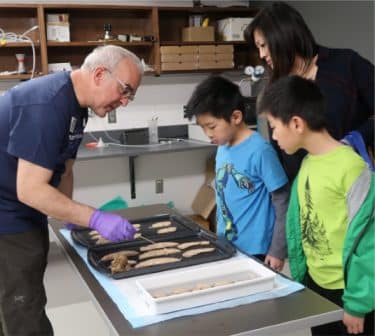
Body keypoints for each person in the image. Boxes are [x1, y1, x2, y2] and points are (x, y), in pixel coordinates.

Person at [0, 45, 143, 335]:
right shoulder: (47, 105)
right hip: (8, 215)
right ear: (100, 74)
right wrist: (95, 218)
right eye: (125, 90)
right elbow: (30, 190)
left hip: (22, 209)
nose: (125, 102)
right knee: (22, 312)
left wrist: (69, 216)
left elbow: (65, 167)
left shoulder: (76, 106)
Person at [258, 75, 374, 336]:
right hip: (317, 286)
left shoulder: (352, 168)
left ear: (296, 123)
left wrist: (357, 303)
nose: (273, 135)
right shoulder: (308, 163)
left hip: (351, 293)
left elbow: (369, 244)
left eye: (274, 126)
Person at [244, 1, 374, 181]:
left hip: (353, 183)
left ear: (284, 36)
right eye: (258, 47)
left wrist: (357, 138)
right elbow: (281, 154)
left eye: (264, 45)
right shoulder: (274, 89)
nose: (261, 55)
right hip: (305, 193)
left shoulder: (346, 64)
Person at [184, 75, 290, 272]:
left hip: (257, 249)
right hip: (228, 244)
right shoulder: (223, 146)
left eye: (212, 126)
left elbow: (283, 200)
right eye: (203, 127)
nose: (208, 134)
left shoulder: (260, 150)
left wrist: (277, 250)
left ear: (236, 117)